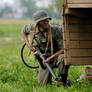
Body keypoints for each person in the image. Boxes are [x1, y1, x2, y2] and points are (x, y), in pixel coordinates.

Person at [22, 10, 71, 86]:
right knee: (43, 85)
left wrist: (51, 57)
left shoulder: (56, 30)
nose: (46, 22)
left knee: (63, 58)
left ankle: (63, 81)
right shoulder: (32, 28)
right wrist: (29, 44)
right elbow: (23, 31)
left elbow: (63, 49)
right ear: (38, 23)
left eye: (47, 20)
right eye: (43, 21)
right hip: (43, 60)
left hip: (56, 56)